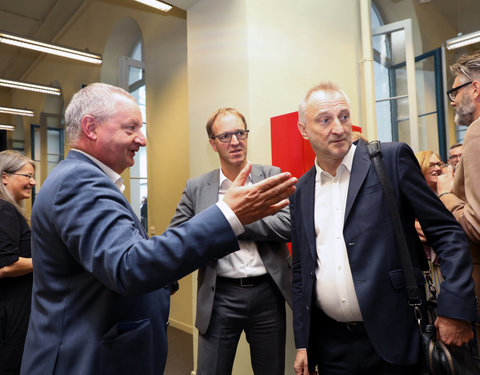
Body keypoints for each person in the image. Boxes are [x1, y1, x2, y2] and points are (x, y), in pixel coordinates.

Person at [20, 83, 297, 375]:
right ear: (91, 128)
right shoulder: (79, 183)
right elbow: (129, 263)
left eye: (240, 133)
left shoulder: (87, 180)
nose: (142, 139)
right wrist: (229, 215)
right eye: (131, 128)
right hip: (83, 357)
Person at [291, 82, 476, 375]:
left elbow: (447, 234)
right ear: (303, 129)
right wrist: (303, 342)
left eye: (343, 116)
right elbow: (302, 270)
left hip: (397, 339)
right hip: (332, 348)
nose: (338, 128)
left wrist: (455, 309)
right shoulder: (301, 190)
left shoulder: (389, 161)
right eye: (324, 120)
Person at [169, 108, 292, 375]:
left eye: (240, 133)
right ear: (213, 144)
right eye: (225, 136)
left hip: (268, 294)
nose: (235, 141)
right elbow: (178, 237)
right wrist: (230, 220)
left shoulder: (270, 176)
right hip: (219, 296)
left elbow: (288, 225)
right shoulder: (197, 188)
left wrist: (233, 222)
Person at [437, 50, 480, 354]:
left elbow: (477, 226)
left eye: (456, 90)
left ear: (475, 90)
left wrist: (445, 194)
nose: (452, 100)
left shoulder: (477, 132)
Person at [0, 150, 36, 375]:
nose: (32, 182)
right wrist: (48, 260)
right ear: (4, 176)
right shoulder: (4, 210)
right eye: (27, 176)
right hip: (11, 311)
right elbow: (5, 265)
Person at [414, 150, 444, 298]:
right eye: (431, 165)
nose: (437, 168)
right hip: (425, 263)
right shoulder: (412, 196)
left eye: (439, 164)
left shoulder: (450, 193)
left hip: (448, 261)